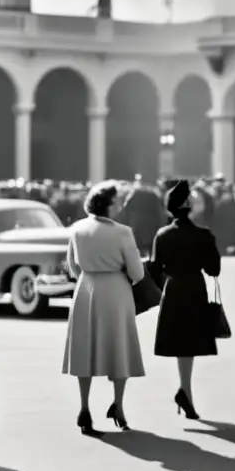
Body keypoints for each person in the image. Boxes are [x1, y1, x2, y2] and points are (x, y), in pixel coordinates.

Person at [61, 181, 145, 435]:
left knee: (85, 349)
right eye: (116, 200)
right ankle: (118, 405)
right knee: (119, 348)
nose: (120, 204)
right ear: (108, 204)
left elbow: (73, 266)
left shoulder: (77, 228)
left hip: (86, 289)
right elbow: (137, 272)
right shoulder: (123, 232)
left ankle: (84, 407)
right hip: (115, 290)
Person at [150, 179, 222, 420]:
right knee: (189, 343)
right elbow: (214, 269)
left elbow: (155, 269)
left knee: (180, 343)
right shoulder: (204, 235)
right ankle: (186, 391)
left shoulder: (162, 234)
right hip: (195, 288)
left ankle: (186, 390)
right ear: (189, 207)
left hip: (173, 289)